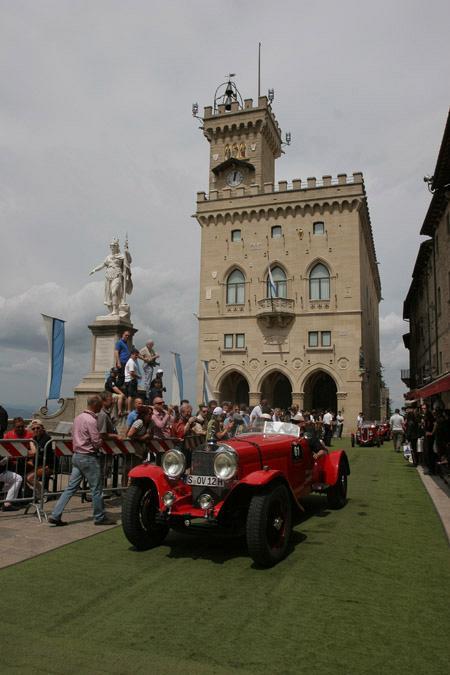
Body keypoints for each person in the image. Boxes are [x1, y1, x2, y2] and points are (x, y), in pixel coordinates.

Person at [48, 395, 116, 526]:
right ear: (96, 405)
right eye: (100, 405)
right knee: (96, 489)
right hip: (89, 457)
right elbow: (96, 442)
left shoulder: (78, 418)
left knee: (70, 488)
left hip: (77, 455)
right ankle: (99, 517)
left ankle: (56, 514)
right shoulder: (91, 420)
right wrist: (105, 439)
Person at [27, 421, 54, 498]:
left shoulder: (46, 438)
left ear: (42, 428)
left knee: (30, 478)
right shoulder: (35, 438)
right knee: (22, 473)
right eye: (33, 428)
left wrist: (31, 442)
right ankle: (36, 492)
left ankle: (42, 493)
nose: (36, 430)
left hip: (48, 466)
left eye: (38, 428)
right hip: (38, 464)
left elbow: (35, 452)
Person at [124, 348, 141, 413]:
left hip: (128, 380)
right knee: (131, 396)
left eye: (137, 355)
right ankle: (129, 409)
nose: (137, 357)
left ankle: (128, 409)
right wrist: (138, 377)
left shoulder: (130, 361)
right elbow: (131, 373)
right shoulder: (131, 362)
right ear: (132, 354)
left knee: (128, 395)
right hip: (131, 380)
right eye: (136, 355)